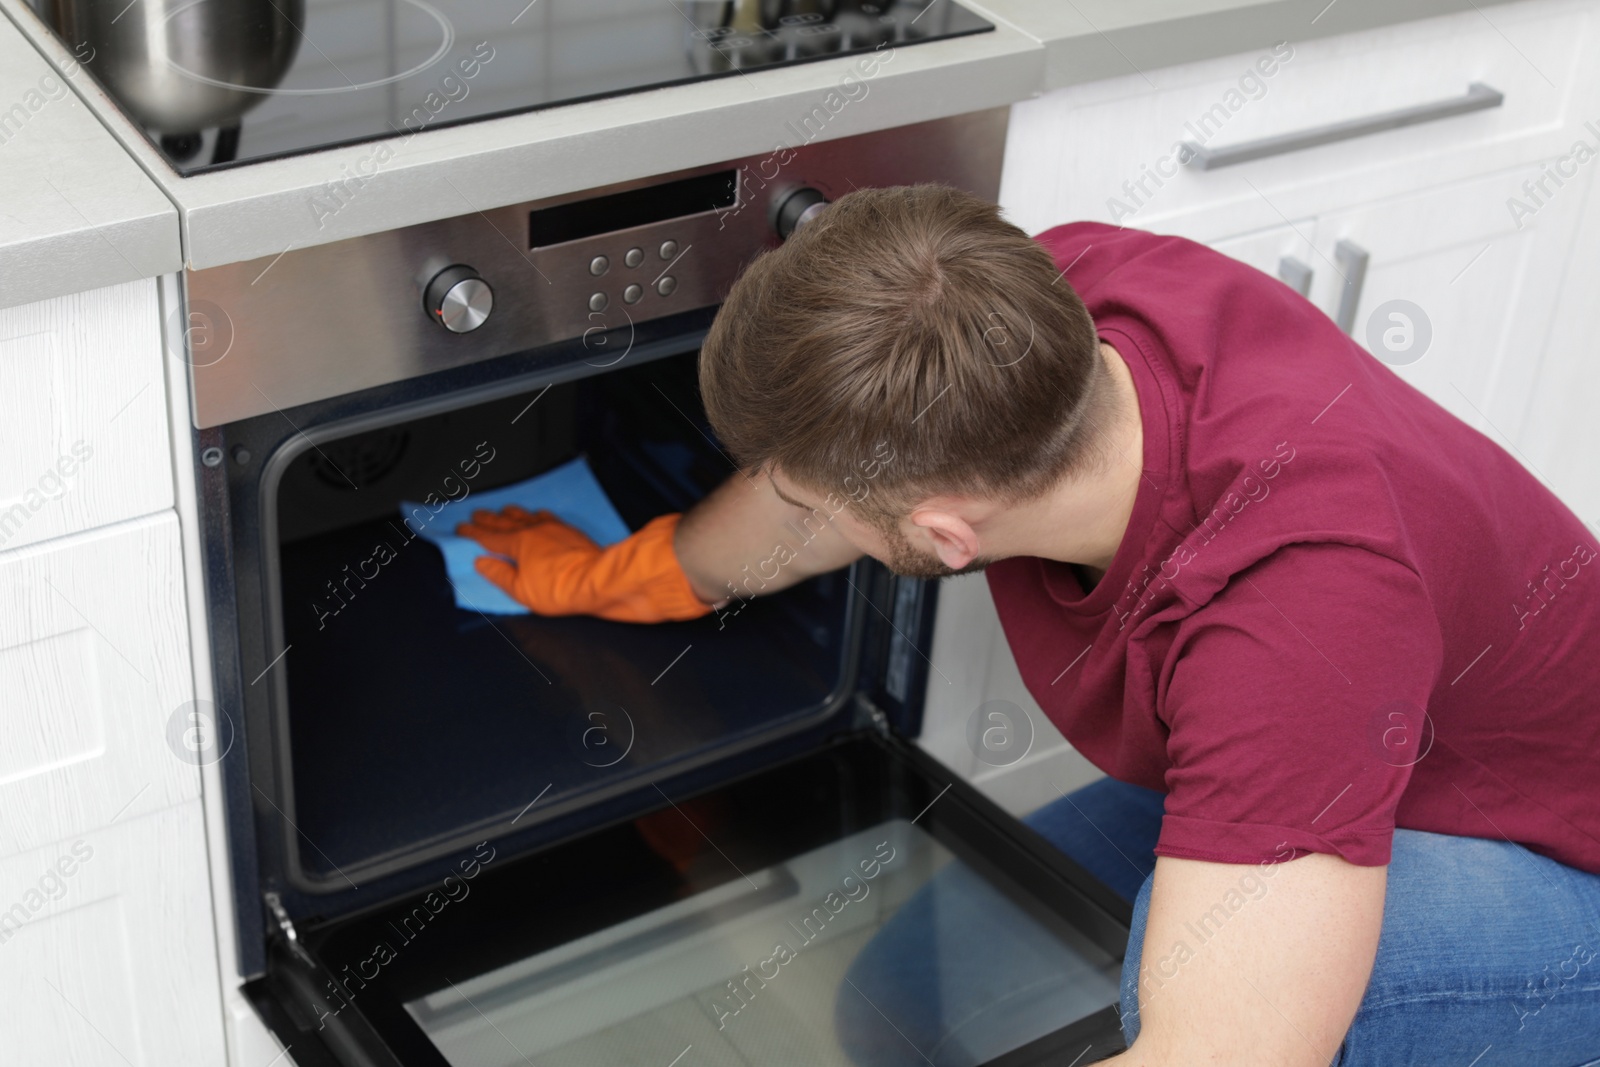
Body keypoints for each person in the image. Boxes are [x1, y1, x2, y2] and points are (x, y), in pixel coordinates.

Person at [456, 184, 1600, 1065]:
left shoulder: (1297, 607)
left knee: (1193, 991)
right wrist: (623, 573)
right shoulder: (1046, 299)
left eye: (817, 505)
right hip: (1380, 751)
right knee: (912, 1000)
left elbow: (1222, 1054)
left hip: (1566, 869)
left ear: (948, 535)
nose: (800, 515)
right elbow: (826, 483)